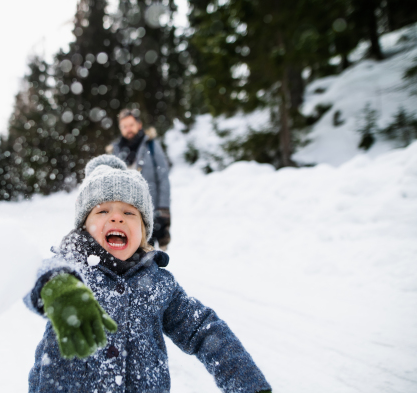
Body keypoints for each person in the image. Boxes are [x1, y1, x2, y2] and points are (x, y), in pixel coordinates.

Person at [24, 155, 272, 393]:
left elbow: (203, 330)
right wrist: (57, 286)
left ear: (143, 231)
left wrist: (247, 382)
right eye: (102, 211)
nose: (117, 218)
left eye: (129, 213)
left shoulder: (158, 283)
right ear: (83, 226)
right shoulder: (70, 266)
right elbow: (30, 278)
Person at [107, 109, 171, 250]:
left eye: (130, 125)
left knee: (150, 255)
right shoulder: (116, 151)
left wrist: (163, 211)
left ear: (139, 125)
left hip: (151, 211)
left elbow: (163, 178)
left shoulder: (152, 145)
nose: (128, 129)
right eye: (124, 126)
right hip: (125, 214)